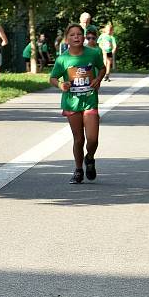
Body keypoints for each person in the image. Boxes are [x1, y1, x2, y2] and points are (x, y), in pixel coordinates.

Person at [49, 23, 106, 184]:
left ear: (83, 37)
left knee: (93, 139)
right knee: (78, 139)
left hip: (89, 101)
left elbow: (101, 68)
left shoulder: (93, 53)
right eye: (72, 35)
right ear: (67, 39)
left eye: (79, 34)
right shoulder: (63, 59)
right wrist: (60, 85)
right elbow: (53, 78)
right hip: (71, 103)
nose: (76, 37)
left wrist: (97, 79)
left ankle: (90, 157)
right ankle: (78, 170)